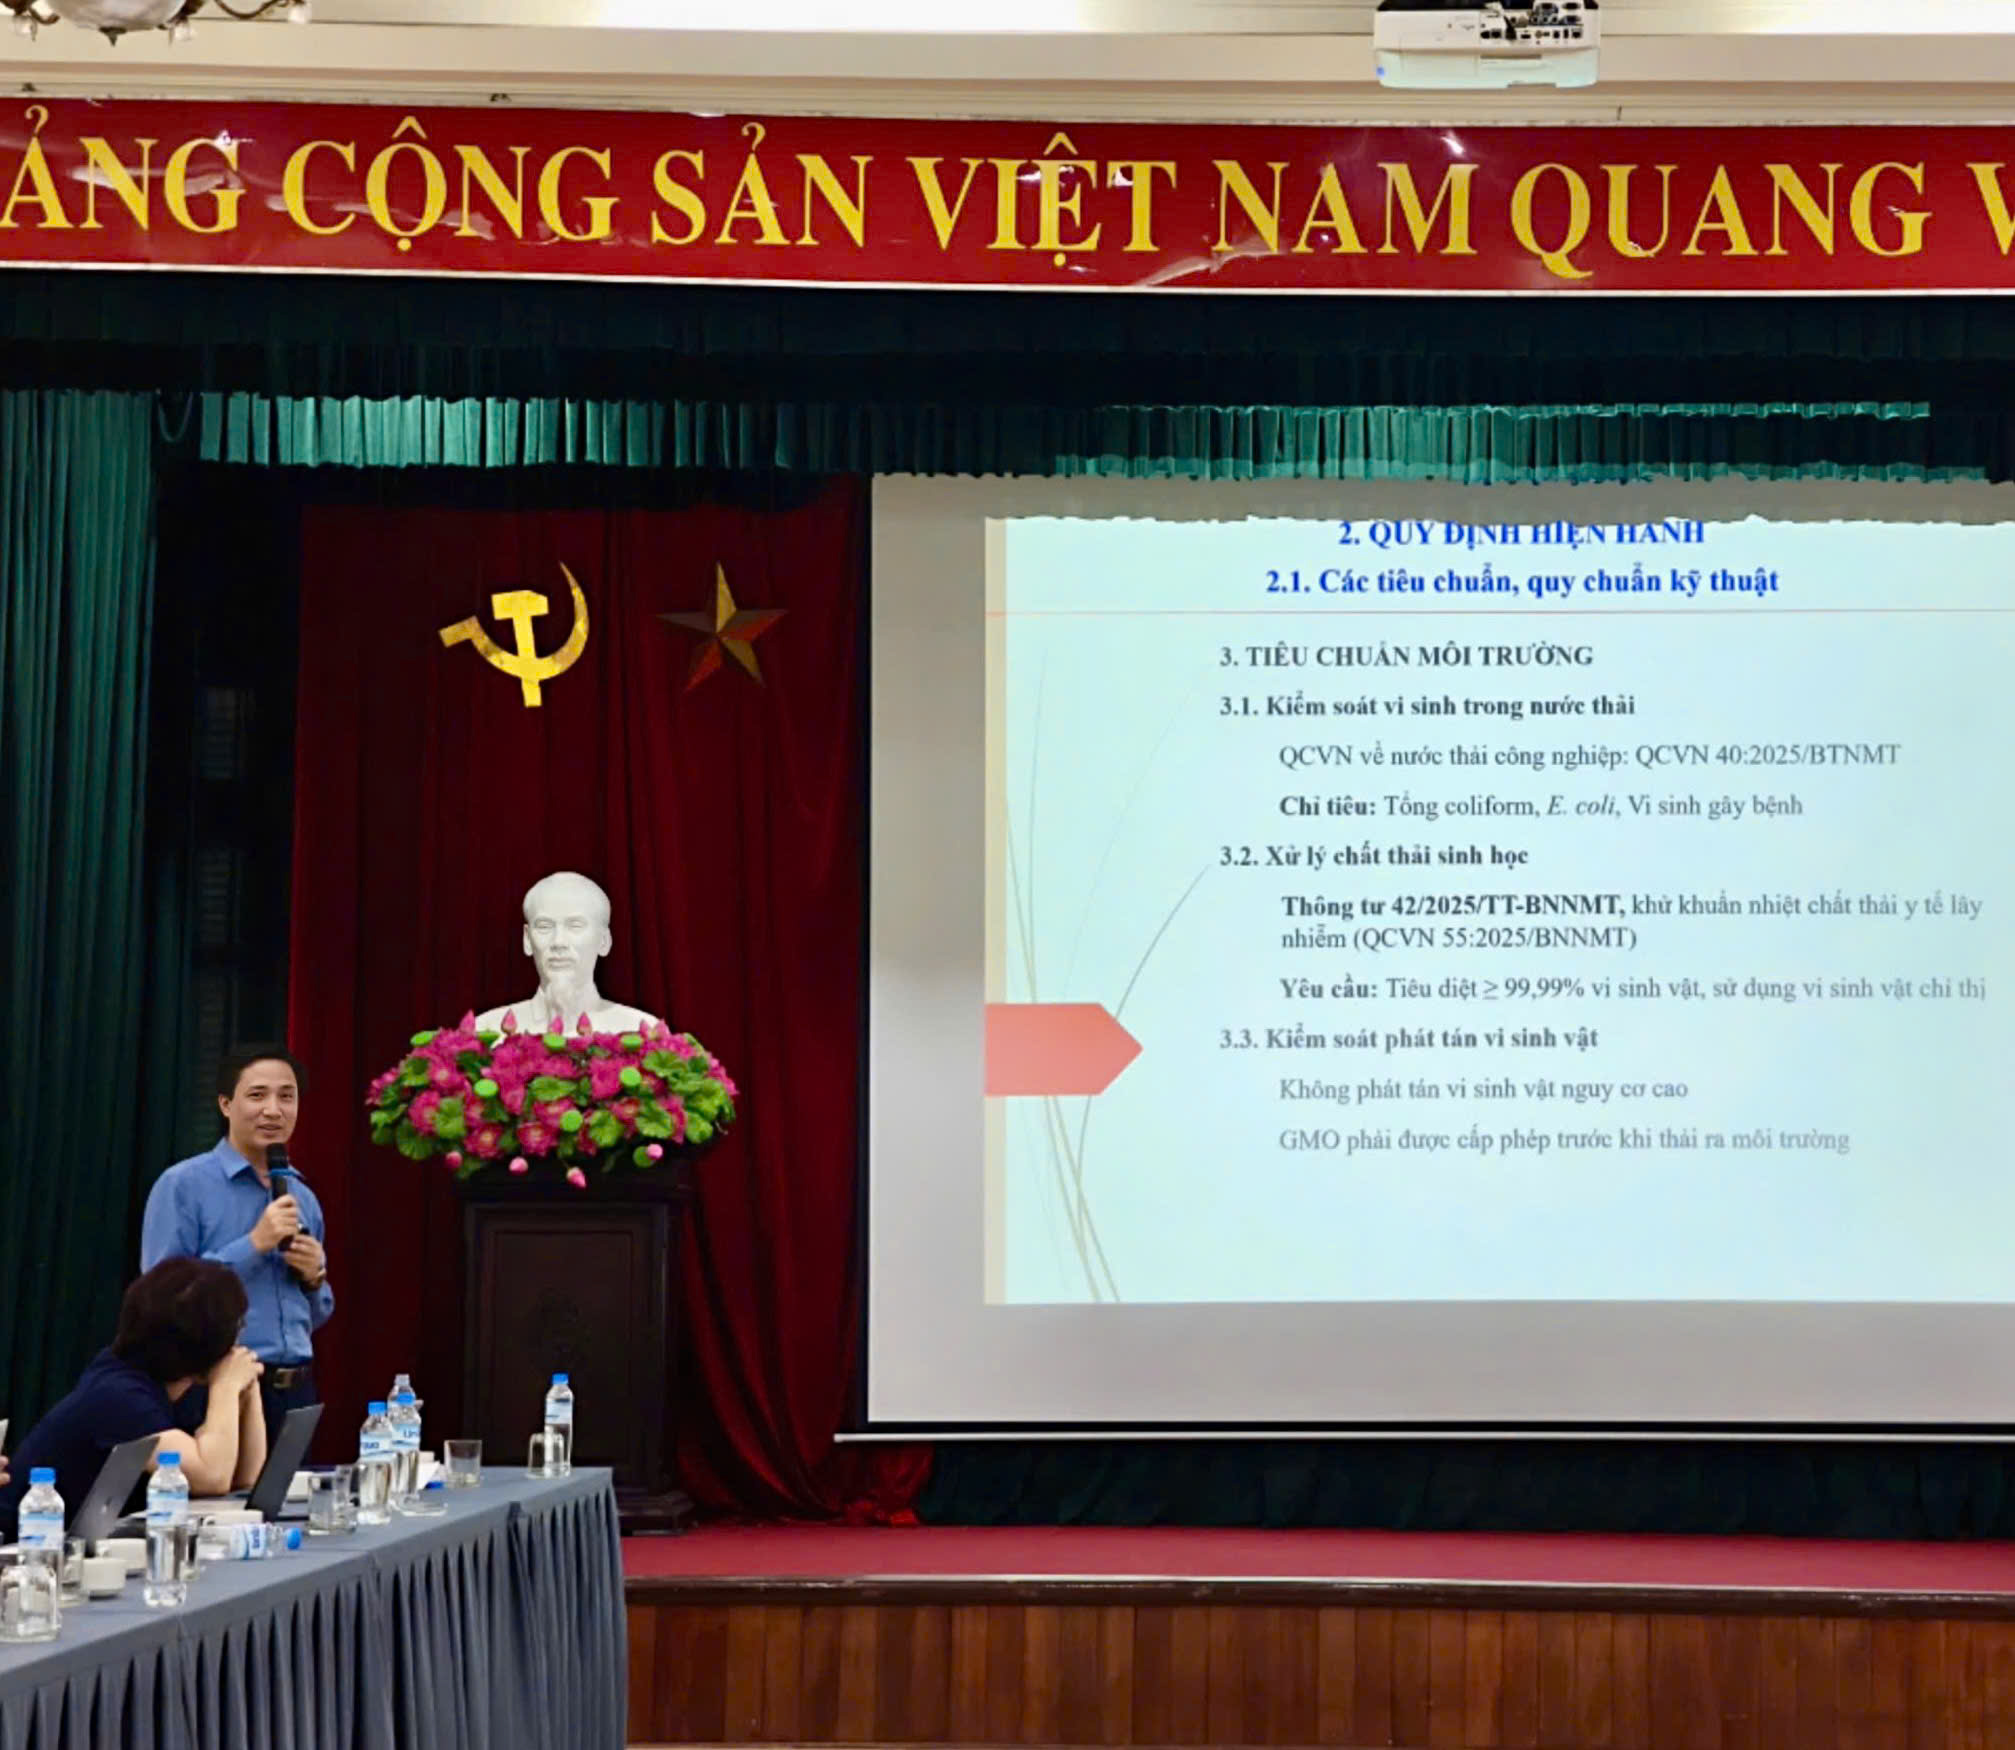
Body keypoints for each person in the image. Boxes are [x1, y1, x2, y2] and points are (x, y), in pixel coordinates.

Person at [141, 1044, 332, 1445]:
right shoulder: (183, 1185)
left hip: (295, 1388)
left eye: (287, 1097)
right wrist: (254, 1244)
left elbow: (313, 1315)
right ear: (225, 1105)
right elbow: (159, 1303)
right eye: (257, 1095)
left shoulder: (302, 1196)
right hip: (216, 1388)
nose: (273, 1110)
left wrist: (315, 1278)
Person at [0, 1259, 267, 1537]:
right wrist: (227, 1387)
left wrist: (248, 1391)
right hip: (24, 1547)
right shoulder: (117, 1393)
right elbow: (212, 1477)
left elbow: (245, 1480)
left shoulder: (178, 1384)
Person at [473, 870, 663, 1034]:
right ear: (527, 939)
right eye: (544, 926)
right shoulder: (486, 1031)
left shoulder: (641, 1030)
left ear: (604, 940)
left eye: (575, 926)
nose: (559, 942)